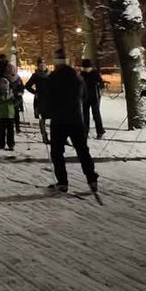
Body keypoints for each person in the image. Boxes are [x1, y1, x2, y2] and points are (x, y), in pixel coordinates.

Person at [47, 49, 99, 192]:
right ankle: (92, 179)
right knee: (82, 150)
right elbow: (85, 96)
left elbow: (48, 97)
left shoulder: (53, 77)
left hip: (59, 120)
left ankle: (62, 182)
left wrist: (45, 111)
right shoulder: (77, 77)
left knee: (57, 152)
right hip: (76, 119)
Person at [25, 58, 51, 145]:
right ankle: (44, 137)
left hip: (49, 99)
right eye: (40, 65)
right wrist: (35, 92)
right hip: (39, 99)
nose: (42, 66)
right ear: (38, 66)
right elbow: (27, 86)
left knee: (53, 118)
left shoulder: (50, 74)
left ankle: (56, 136)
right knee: (42, 119)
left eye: (43, 64)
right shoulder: (35, 75)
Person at [80, 58, 106, 139]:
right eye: (85, 68)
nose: (86, 69)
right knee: (85, 116)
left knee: (96, 115)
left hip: (94, 98)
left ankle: (100, 131)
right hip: (85, 98)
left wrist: (99, 85)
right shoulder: (82, 74)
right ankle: (85, 132)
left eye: (88, 68)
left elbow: (101, 84)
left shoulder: (95, 73)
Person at [0, 67, 16, 151]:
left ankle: (11, 144)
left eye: (5, 84)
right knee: (2, 129)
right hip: (2, 114)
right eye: (3, 85)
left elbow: (14, 101)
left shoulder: (11, 92)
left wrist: (16, 101)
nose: (4, 86)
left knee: (10, 130)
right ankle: (1, 144)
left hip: (10, 113)